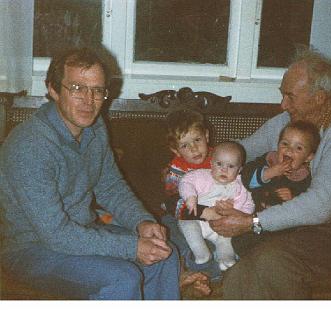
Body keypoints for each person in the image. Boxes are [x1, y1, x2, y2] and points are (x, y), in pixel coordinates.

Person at [0, 47, 203, 300]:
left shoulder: (94, 127)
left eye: (97, 90)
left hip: (79, 234)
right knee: (122, 276)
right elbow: (56, 234)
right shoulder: (29, 146)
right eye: (77, 88)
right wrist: (132, 247)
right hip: (31, 249)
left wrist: (142, 222)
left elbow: (110, 186)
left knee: (164, 254)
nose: (89, 100)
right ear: (53, 90)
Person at [208, 49, 331, 299]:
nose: (283, 104)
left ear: (319, 97)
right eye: (283, 95)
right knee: (242, 268)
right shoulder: (285, 122)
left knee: (270, 261)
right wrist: (194, 162)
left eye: (290, 96)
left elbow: (322, 206)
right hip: (291, 225)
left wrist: (252, 223)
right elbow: (243, 150)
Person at [160, 109, 222, 281]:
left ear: (206, 136)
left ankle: (217, 266)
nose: (194, 148)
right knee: (168, 229)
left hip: (217, 211)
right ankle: (196, 267)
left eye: (197, 140)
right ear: (176, 150)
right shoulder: (176, 170)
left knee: (228, 237)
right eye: (185, 145)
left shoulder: (219, 156)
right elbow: (171, 203)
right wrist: (202, 212)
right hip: (185, 214)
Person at [178, 141, 255, 271]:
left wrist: (235, 212)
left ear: (239, 169)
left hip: (222, 224)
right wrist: (190, 197)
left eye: (230, 166)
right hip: (199, 220)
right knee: (186, 223)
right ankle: (201, 252)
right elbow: (186, 182)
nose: (224, 170)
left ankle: (226, 257)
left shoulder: (241, 186)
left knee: (227, 238)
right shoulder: (202, 176)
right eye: (219, 164)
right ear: (211, 163)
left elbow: (249, 205)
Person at [241, 120, 320, 211]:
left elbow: (305, 206)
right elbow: (245, 178)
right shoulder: (268, 159)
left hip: (279, 220)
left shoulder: (303, 177)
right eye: (285, 144)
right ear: (278, 145)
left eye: (298, 148)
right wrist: (269, 173)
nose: (289, 150)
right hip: (249, 210)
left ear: (308, 157)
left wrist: (292, 198)